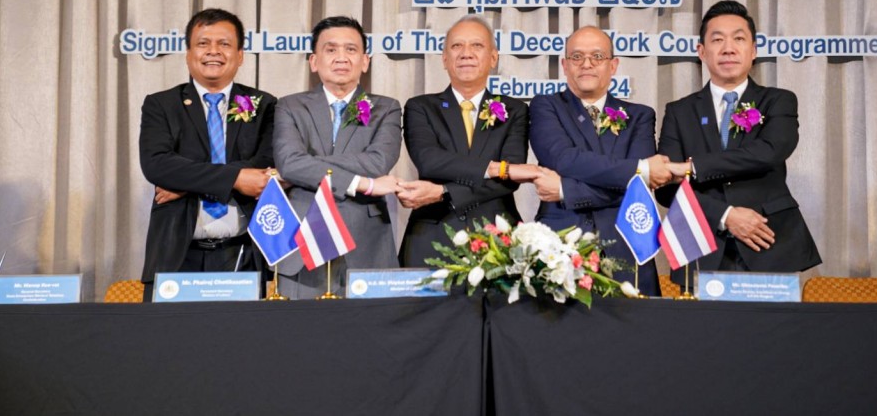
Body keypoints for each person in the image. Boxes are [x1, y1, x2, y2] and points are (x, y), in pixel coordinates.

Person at [657, 0, 821, 284]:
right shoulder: (679, 111)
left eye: (739, 39)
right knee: (702, 330)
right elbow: (667, 187)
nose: (728, 48)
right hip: (701, 242)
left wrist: (692, 168)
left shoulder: (778, 100)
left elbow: (768, 152)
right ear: (702, 51)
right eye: (717, 40)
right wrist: (725, 215)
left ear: (754, 50)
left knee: (776, 329)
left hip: (768, 242)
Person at [138, 8, 276, 301]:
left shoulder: (263, 104)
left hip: (243, 254)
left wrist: (186, 183)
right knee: (169, 345)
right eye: (203, 43)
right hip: (176, 254)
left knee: (240, 345)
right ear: (188, 54)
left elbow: (265, 164)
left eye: (224, 44)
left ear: (240, 55)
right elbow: (157, 165)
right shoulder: (161, 105)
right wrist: (235, 178)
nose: (213, 51)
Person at [529, 26, 674, 296]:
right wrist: (639, 169)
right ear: (564, 65)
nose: (587, 64)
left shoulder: (639, 116)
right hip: (560, 244)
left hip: (626, 243)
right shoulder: (546, 106)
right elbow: (564, 159)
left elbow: (636, 188)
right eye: (577, 57)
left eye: (597, 56)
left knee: (635, 334)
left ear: (613, 65)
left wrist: (564, 190)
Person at [274, 16, 402, 298]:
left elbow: (378, 162)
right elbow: (289, 162)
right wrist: (363, 183)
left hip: (365, 242)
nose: (341, 58)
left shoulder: (387, 108)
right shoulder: (289, 106)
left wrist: (307, 163)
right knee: (298, 336)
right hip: (302, 239)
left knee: (367, 337)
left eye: (351, 50)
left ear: (365, 61)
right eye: (331, 50)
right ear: (313, 61)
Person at [398, 16, 538, 267]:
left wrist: (444, 192)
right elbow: (430, 162)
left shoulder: (515, 109)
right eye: (456, 46)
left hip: (498, 234)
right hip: (433, 233)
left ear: (493, 58)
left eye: (477, 46)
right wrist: (494, 168)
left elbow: (510, 177)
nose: (466, 54)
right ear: (444, 59)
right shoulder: (421, 107)